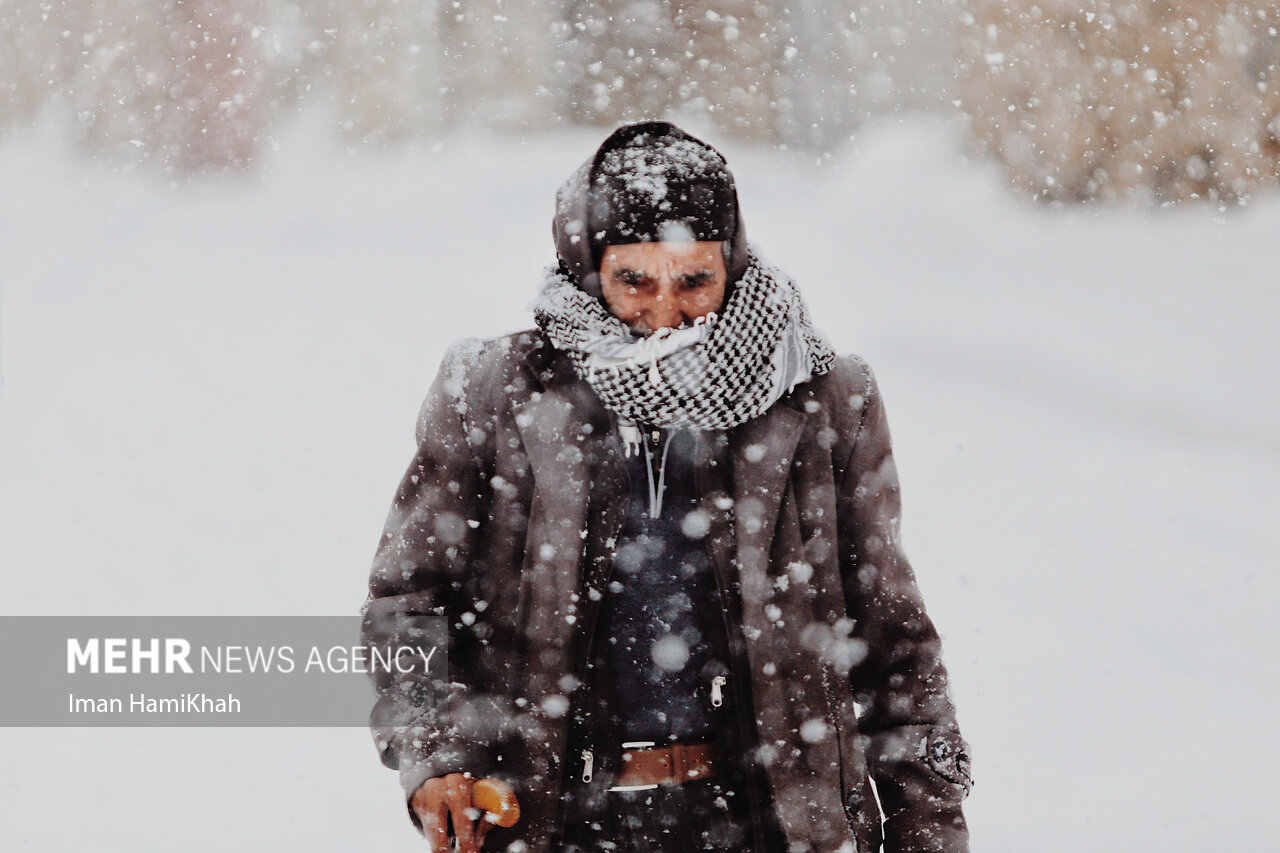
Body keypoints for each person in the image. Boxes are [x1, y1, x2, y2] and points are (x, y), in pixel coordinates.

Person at [362, 121, 972, 853]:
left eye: (693, 281)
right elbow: (408, 603)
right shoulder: (494, 392)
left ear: (732, 266)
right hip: (555, 824)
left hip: (767, 825)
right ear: (589, 271)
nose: (664, 316)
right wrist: (438, 754)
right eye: (633, 281)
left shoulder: (822, 400)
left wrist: (927, 828)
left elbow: (892, 642)